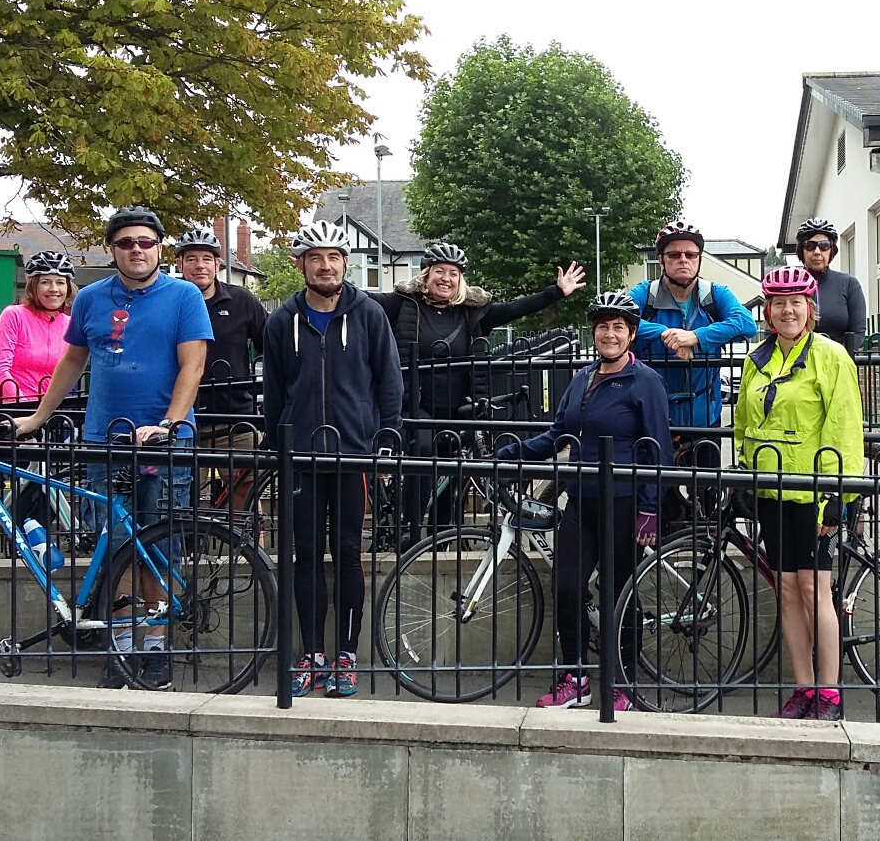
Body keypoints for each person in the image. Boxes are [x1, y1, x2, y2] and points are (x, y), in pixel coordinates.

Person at [13, 206, 213, 691]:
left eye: (145, 242)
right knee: (116, 548)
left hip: (166, 446)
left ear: (159, 248)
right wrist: (39, 417)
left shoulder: (184, 295)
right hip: (104, 440)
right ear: (112, 250)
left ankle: (156, 650)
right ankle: (121, 650)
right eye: (126, 243)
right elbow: (73, 360)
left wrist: (169, 423)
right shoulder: (92, 299)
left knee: (158, 547)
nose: (137, 250)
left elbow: (194, 366)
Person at [494, 291, 671, 710]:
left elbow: (658, 449)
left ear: (631, 334)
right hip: (581, 501)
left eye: (618, 327)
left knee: (619, 595)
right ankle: (575, 676)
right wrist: (505, 455)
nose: (609, 334)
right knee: (568, 586)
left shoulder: (645, 381)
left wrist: (650, 508)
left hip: (624, 502)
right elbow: (556, 436)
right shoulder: (580, 378)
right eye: (603, 327)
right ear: (593, 333)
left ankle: (622, 680)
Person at [263, 220, 404, 698]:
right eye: (316, 257)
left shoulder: (368, 315)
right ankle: (311, 654)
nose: (326, 265)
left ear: (346, 263)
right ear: (300, 264)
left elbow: (389, 381)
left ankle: (345, 654)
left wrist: (386, 438)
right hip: (302, 455)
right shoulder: (282, 320)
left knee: (347, 555)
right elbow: (274, 392)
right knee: (304, 556)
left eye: (335, 257)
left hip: (353, 454)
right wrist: (277, 441)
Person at [372, 242, 587, 548]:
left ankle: (442, 534)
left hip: (459, 406)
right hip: (415, 404)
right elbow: (365, 301)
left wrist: (555, 291)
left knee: (453, 467)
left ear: (461, 280)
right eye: (439, 272)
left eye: (453, 273)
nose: (446, 278)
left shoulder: (471, 313)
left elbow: (513, 309)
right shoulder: (403, 305)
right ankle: (408, 528)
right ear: (426, 275)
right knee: (422, 454)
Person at [735, 266, 862, 721]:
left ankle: (829, 693)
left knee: (814, 589)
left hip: (815, 491)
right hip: (771, 490)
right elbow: (746, 424)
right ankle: (803, 688)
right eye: (778, 304)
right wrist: (747, 474)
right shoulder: (757, 360)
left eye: (796, 303)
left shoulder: (830, 356)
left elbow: (844, 428)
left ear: (811, 310)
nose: (787, 311)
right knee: (787, 590)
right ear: (768, 313)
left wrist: (836, 493)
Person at [627, 221, 758, 523]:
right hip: (656, 414)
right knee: (662, 496)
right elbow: (622, 318)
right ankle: (663, 556)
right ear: (661, 261)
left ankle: (706, 554)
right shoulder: (645, 294)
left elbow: (746, 324)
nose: (683, 260)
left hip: (704, 415)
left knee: (708, 496)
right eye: (673, 255)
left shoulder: (715, 294)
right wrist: (667, 334)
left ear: (700, 259)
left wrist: (696, 337)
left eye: (690, 254)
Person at [174, 227, 268, 509]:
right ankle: (185, 553)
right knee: (178, 504)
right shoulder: (169, 301)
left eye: (206, 258)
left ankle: (250, 552)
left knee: (247, 503)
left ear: (218, 264)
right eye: (191, 259)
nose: (199, 265)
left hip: (236, 418)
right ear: (179, 264)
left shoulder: (241, 301)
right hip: (183, 420)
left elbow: (272, 347)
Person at [0, 251, 77, 405]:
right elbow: (1, 370)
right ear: (32, 287)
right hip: (10, 410)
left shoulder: (70, 324)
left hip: (50, 413)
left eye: (60, 282)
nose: (53, 288)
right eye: (45, 282)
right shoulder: (14, 315)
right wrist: (26, 406)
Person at [794, 218, 867, 349]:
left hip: (838, 362)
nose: (817, 252)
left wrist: (838, 357)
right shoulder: (790, 284)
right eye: (810, 246)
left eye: (824, 246)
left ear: (831, 250)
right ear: (801, 250)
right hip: (797, 362)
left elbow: (858, 332)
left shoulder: (849, 284)